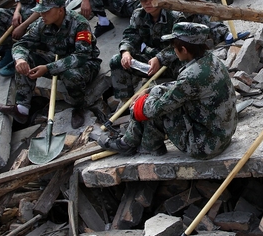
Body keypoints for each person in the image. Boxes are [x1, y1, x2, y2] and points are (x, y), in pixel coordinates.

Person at [96, 22, 237, 159]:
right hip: (223, 133)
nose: (173, 50)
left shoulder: (191, 75)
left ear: (184, 49)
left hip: (206, 145)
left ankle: (128, 143)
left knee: (152, 107)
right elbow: (181, 88)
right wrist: (149, 91)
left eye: (174, 47)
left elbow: (158, 108)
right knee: (155, 92)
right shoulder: (209, 59)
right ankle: (142, 144)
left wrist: (138, 105)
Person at [0, 0, 101, 129]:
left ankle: (79, 107)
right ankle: (22, 109)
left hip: (86, 64)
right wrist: (20, 59)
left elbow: (81, 56)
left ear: (60, 10)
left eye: (46, 11)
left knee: (70, 75)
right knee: (27, 59)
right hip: (57, 59)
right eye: (41, 12)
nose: (42, 15)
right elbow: (21, 44)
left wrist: (48, 68)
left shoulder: (79, 23)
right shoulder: (41, 23)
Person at [109, 0, 185, 101]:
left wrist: (160, 59)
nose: (148, 3)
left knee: (187, 68)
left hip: (174, 59)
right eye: (143, 0)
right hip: (151, 61)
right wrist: (126, 52)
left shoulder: (174, 15)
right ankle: (126, 103)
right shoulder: (138, 15)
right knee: (117, 61)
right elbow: (131, 35)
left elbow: (182, 43)